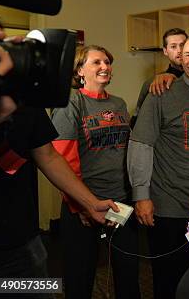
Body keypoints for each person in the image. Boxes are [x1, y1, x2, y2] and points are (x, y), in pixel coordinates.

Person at [0, 24, 117, 293]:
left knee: (34, 290)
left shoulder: (25, 99)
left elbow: (48, 156)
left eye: (3, 43)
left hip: (22, 241)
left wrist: (90, 202)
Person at [128, 33, 189, 299]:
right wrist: (141, 196)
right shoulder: (161, 92)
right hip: (168, 206)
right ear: (179, 59)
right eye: (188, 55)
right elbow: (140, 144)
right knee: (168, 281)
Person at [51, 45, 139, 299]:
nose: (105, 67)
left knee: (128, 274)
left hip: (121, 202)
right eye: (97, 62)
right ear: (80, 70)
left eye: (108, 62)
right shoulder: (71, 102)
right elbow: (63, 158)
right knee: (80, 278)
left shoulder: (119, 103)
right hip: (84, 205)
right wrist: (81, 205)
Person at [131, 28, 187, 127]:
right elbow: (137, 122)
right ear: (165, 51)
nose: (179, 50)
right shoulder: (153, 83)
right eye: (173, 46)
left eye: (183, 45)